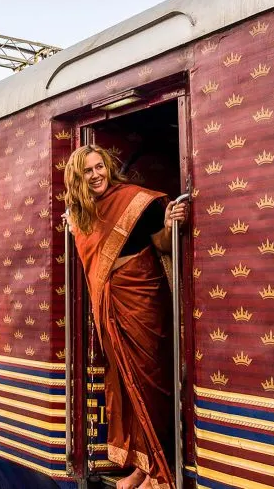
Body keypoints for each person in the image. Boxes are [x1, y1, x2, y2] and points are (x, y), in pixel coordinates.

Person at [63, 145, 187, 489]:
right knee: (126, 388)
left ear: (108, 168)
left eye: (99, 167)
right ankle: (141, 467)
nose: (96, 175)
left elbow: (161, 245)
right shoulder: (81, 213)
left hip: (144, 300)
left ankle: (163, 473)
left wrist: (170, 225)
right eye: (87, 171)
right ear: (78, 178)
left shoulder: (134, 200)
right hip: (110, 303)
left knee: (150, 385)